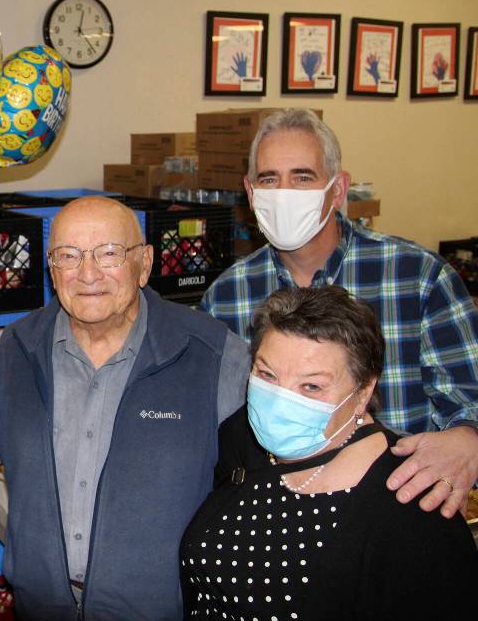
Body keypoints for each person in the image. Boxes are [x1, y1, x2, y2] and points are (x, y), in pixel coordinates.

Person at [201, 108, 478, 519]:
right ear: (249, 190)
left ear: (337, 188)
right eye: (268, 179)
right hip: (278, 519)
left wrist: (468, 437)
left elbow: (468, 401)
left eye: (302, 177)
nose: (284, 192)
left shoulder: (418, 278)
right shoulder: (226, 296)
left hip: (397, 510)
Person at [0, 196, 251, 620]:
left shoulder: (215, 357)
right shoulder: (12, 353)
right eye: (68, 256)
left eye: (109, 254)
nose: (87, 274)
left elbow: (273, 481)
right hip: (43, 608)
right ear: (52, 269)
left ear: (144, 264)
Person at [183, 285, 478, 619]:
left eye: (311, 386)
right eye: (266, 374)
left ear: (364, 391)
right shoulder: (242, 439)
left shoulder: (412, 500)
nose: (279, 400)